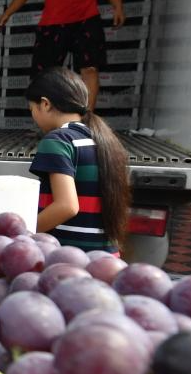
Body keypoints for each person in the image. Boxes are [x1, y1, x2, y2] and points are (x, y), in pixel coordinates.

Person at [27, 67, 130, 253]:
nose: (33, 115)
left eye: (32, 108)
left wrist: (22, 234)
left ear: (45, 104)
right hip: (105, 260)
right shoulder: (103, 139)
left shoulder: (57, 140)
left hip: (72, 260)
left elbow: (66, 206)